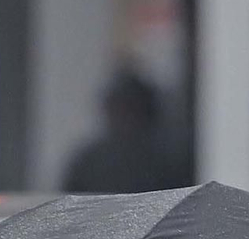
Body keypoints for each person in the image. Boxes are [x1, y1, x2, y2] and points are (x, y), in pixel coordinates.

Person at [62, 66, 186, 196]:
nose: (125, 118)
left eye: (131, 110)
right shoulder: (88, 163)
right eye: (119, 110)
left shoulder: (166, 163)